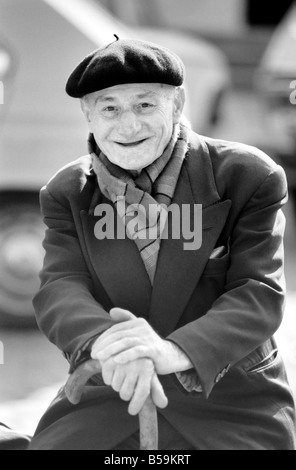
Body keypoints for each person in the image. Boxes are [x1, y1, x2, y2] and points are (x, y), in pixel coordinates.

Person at [29, 37, 296, 450]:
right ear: (88, 115)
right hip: (112, 391)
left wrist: (170, 352)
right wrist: (109, 346)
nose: (128, 125)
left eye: (145, 105)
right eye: (110, 108)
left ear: (178, 104)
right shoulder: (68, 191)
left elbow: (258, 292)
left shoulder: (247, 175)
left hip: (231, 397)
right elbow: (60, 287)